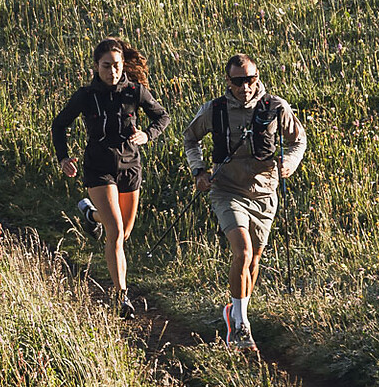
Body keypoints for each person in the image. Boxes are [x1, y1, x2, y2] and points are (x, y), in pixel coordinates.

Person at [180, 53, 307, 349]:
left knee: (255, 259)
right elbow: (190, 138)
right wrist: (199, 171)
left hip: (265, 192)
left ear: (257, 77)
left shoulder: (277, 107)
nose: (245, 86)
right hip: (227, 190)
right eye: (238, 81)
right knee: (243, 251)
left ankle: (235, 313)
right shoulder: (215, 110)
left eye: (250, 79)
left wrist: (290, 162)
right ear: (228, 81)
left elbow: (298, 140)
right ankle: (241, 326)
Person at [51, 38, 170, 318]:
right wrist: (63, 158)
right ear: (96, 66)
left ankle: (91, 216)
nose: (112, 72)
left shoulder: (134, 91)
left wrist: (147, 135)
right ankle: (122, 297)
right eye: (106, 66)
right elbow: (59, 125)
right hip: (98, 168)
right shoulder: (85, 96)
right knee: (115, 232)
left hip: (130, 167)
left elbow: (162, 117)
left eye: (117, 66)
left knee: (123, 234)